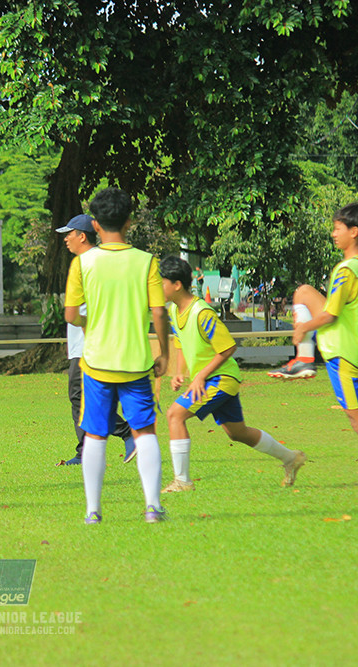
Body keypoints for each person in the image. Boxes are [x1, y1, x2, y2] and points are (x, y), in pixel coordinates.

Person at [273, 203, 358, 505]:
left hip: (343, 354)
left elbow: (331, 315)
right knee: (303, 292)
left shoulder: (347, 271)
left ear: (354, 231)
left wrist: (302, 328)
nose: (334, 233)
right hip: (347, 350)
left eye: (338, 228)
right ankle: (304, 359)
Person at [64, 188, 169, 525]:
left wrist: (87, 322)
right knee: (145, 431)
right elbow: (158, 312)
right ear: (129, 221)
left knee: (94, 433)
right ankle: (153, 506)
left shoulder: (82, 262)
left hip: (95, 362)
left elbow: (69, 314)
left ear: (94, 224)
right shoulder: (146, 261)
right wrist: (164, 353)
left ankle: (93, 511)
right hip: (136, 362)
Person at [160, 255, 307, 493]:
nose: (158, 287)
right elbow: (180, 343)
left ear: (176, 284)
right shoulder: (174, 311)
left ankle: (183, 481)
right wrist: (180, 373)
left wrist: (199, 376)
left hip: (220, 379)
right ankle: (290, 458)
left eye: (162, 282)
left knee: (174, 415)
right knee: (237, 433)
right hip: (211, 379)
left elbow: (227, 347)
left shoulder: (201, 312)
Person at [55, 214, 136, 466]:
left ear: (82, 235)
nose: (66, 239)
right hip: (86, 345)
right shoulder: (90, 262)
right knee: (84, 397)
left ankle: (126, 433)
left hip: (90, 346)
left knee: (82, 398)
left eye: (69, 233)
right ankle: (85, 451)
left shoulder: (89, 264)